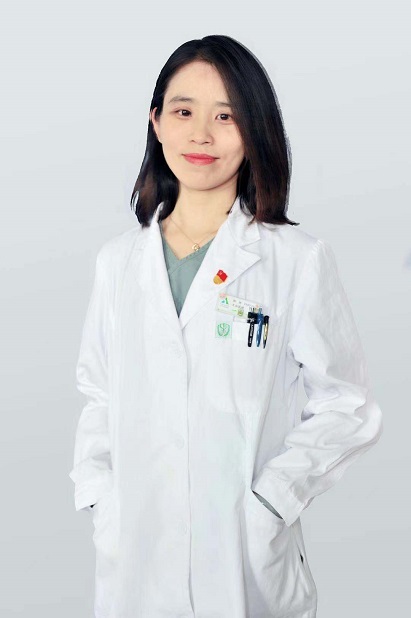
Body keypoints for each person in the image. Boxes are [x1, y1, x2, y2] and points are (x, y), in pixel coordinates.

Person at [69, 34, 383, 618]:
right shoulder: (118, 262)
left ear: (254, 131)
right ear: (156, 122)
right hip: (135, 556)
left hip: (244, 561)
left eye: (226, 116)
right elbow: (99, 394)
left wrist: (272, 502)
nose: (202, 135)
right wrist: (100, 496)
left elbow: (347, 405)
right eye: (184, 112)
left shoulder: (295, 260)